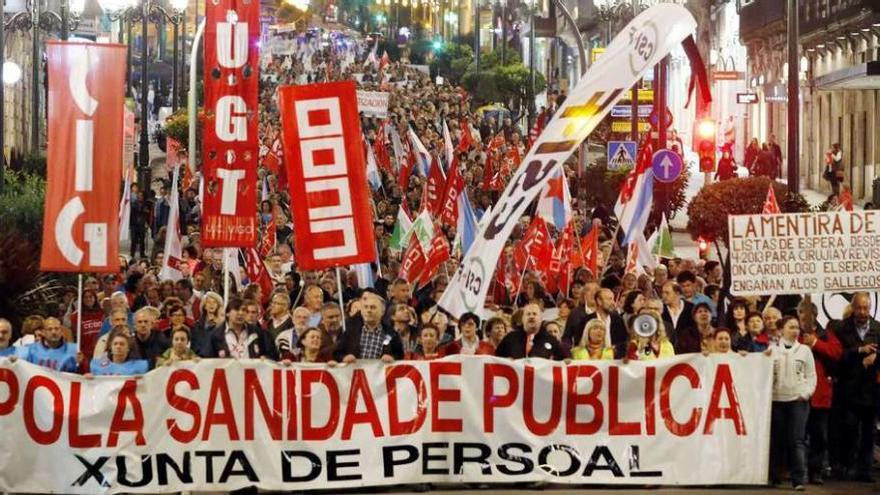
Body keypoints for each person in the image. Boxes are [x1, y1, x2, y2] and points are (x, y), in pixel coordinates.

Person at [832, 292, 879, 482]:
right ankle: (845, 466)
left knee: (869, 433)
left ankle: (864, 471)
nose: (862, 312)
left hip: (871, 391)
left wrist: (876, 358)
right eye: (859, 308)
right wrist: (859, 351)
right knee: (849, 430)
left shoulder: (877, 328)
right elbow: (836, 356)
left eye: (865, 308)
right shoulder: (841, 328)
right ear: (853, 308)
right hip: (848, 389)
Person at [768, 316, 816, 491]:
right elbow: (761, 370)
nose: (795, 331)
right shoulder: (771, 350)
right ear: (781, 330)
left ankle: (798, 479)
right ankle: (774, 476)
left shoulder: (804, 350)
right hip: (777, 400)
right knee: (777, 440)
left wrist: (806, 393)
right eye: (791, 327)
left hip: (797, 400)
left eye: (797, 327)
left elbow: (811, 375)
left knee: (797, 440)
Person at [797, 301, 842, 485]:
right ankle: (798, 472)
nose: (802, 318)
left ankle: (816, 471)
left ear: (814, 315)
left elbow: (837, 352)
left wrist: (815, 343)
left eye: (806, 314)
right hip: (798, 393)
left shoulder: (825, 335)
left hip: (820, 394)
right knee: (797, 436)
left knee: (819, 436)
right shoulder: (793, 333)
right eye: (800, 314)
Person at [332, 290, 404, 363]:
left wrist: (392, 358)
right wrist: (344, 358)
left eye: (373, 307)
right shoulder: (350, 330)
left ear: (382, 311)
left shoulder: (391, 333)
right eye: (366, 307)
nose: (368, 310)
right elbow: (337, 353)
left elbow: (400, 356)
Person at [563, 288, 626, 358]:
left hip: (613, 363)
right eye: (609, 299)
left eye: (613, 299)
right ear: (599, 301)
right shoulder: (586, 321)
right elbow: (579, 344)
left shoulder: (618, 320)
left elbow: (624, 343)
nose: (613, 303)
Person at [209, 297, 278, 360]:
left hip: (251, 373)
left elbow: (273, 357)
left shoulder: (259, 333)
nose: (241, 313)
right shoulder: (215, 335)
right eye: (236, 309)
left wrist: (266, 358)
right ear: (227, 313)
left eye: (244, 310)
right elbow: (207, 359)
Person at [495, 303, 566, 360]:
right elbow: (496, 359)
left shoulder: (551, 339)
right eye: (528, 314)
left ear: (541, 319)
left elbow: (563, 361)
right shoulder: (510, 338)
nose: (531, 316)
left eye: (534, 314)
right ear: (523, 319)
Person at [19, 317, 83, 372]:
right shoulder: (30, 350)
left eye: (56, 329)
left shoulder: (75, 349)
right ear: (43, 332)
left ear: (61, 331)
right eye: (50, 329)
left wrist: (81, 364)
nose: (54, 332)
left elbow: (85, 373)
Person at [660, 282, 695, 349]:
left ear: (677, 293)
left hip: (687, 349)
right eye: (663, 293)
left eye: (667, 293)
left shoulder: (691, 308)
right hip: (666, 349)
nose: (663, 296)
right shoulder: (661, 309)